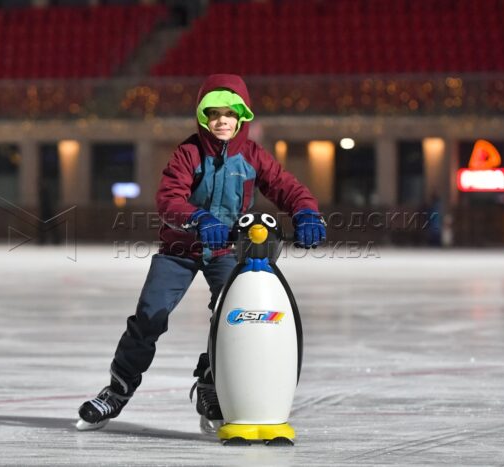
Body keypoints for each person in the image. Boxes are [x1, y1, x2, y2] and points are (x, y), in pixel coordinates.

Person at [76, 74, 326, 430]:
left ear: (242, 116)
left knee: (229, 319)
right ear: (202, 116)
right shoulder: (188, 153)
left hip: (226, 251)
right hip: (180, 248)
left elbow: (288, 187)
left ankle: (210, 383)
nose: (222, 120)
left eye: (230, 112)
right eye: (213, 113)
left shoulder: (253, 156)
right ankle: (117, 389)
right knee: (150, 314)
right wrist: (198, 218)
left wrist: (306, 212)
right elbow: (168, 199)